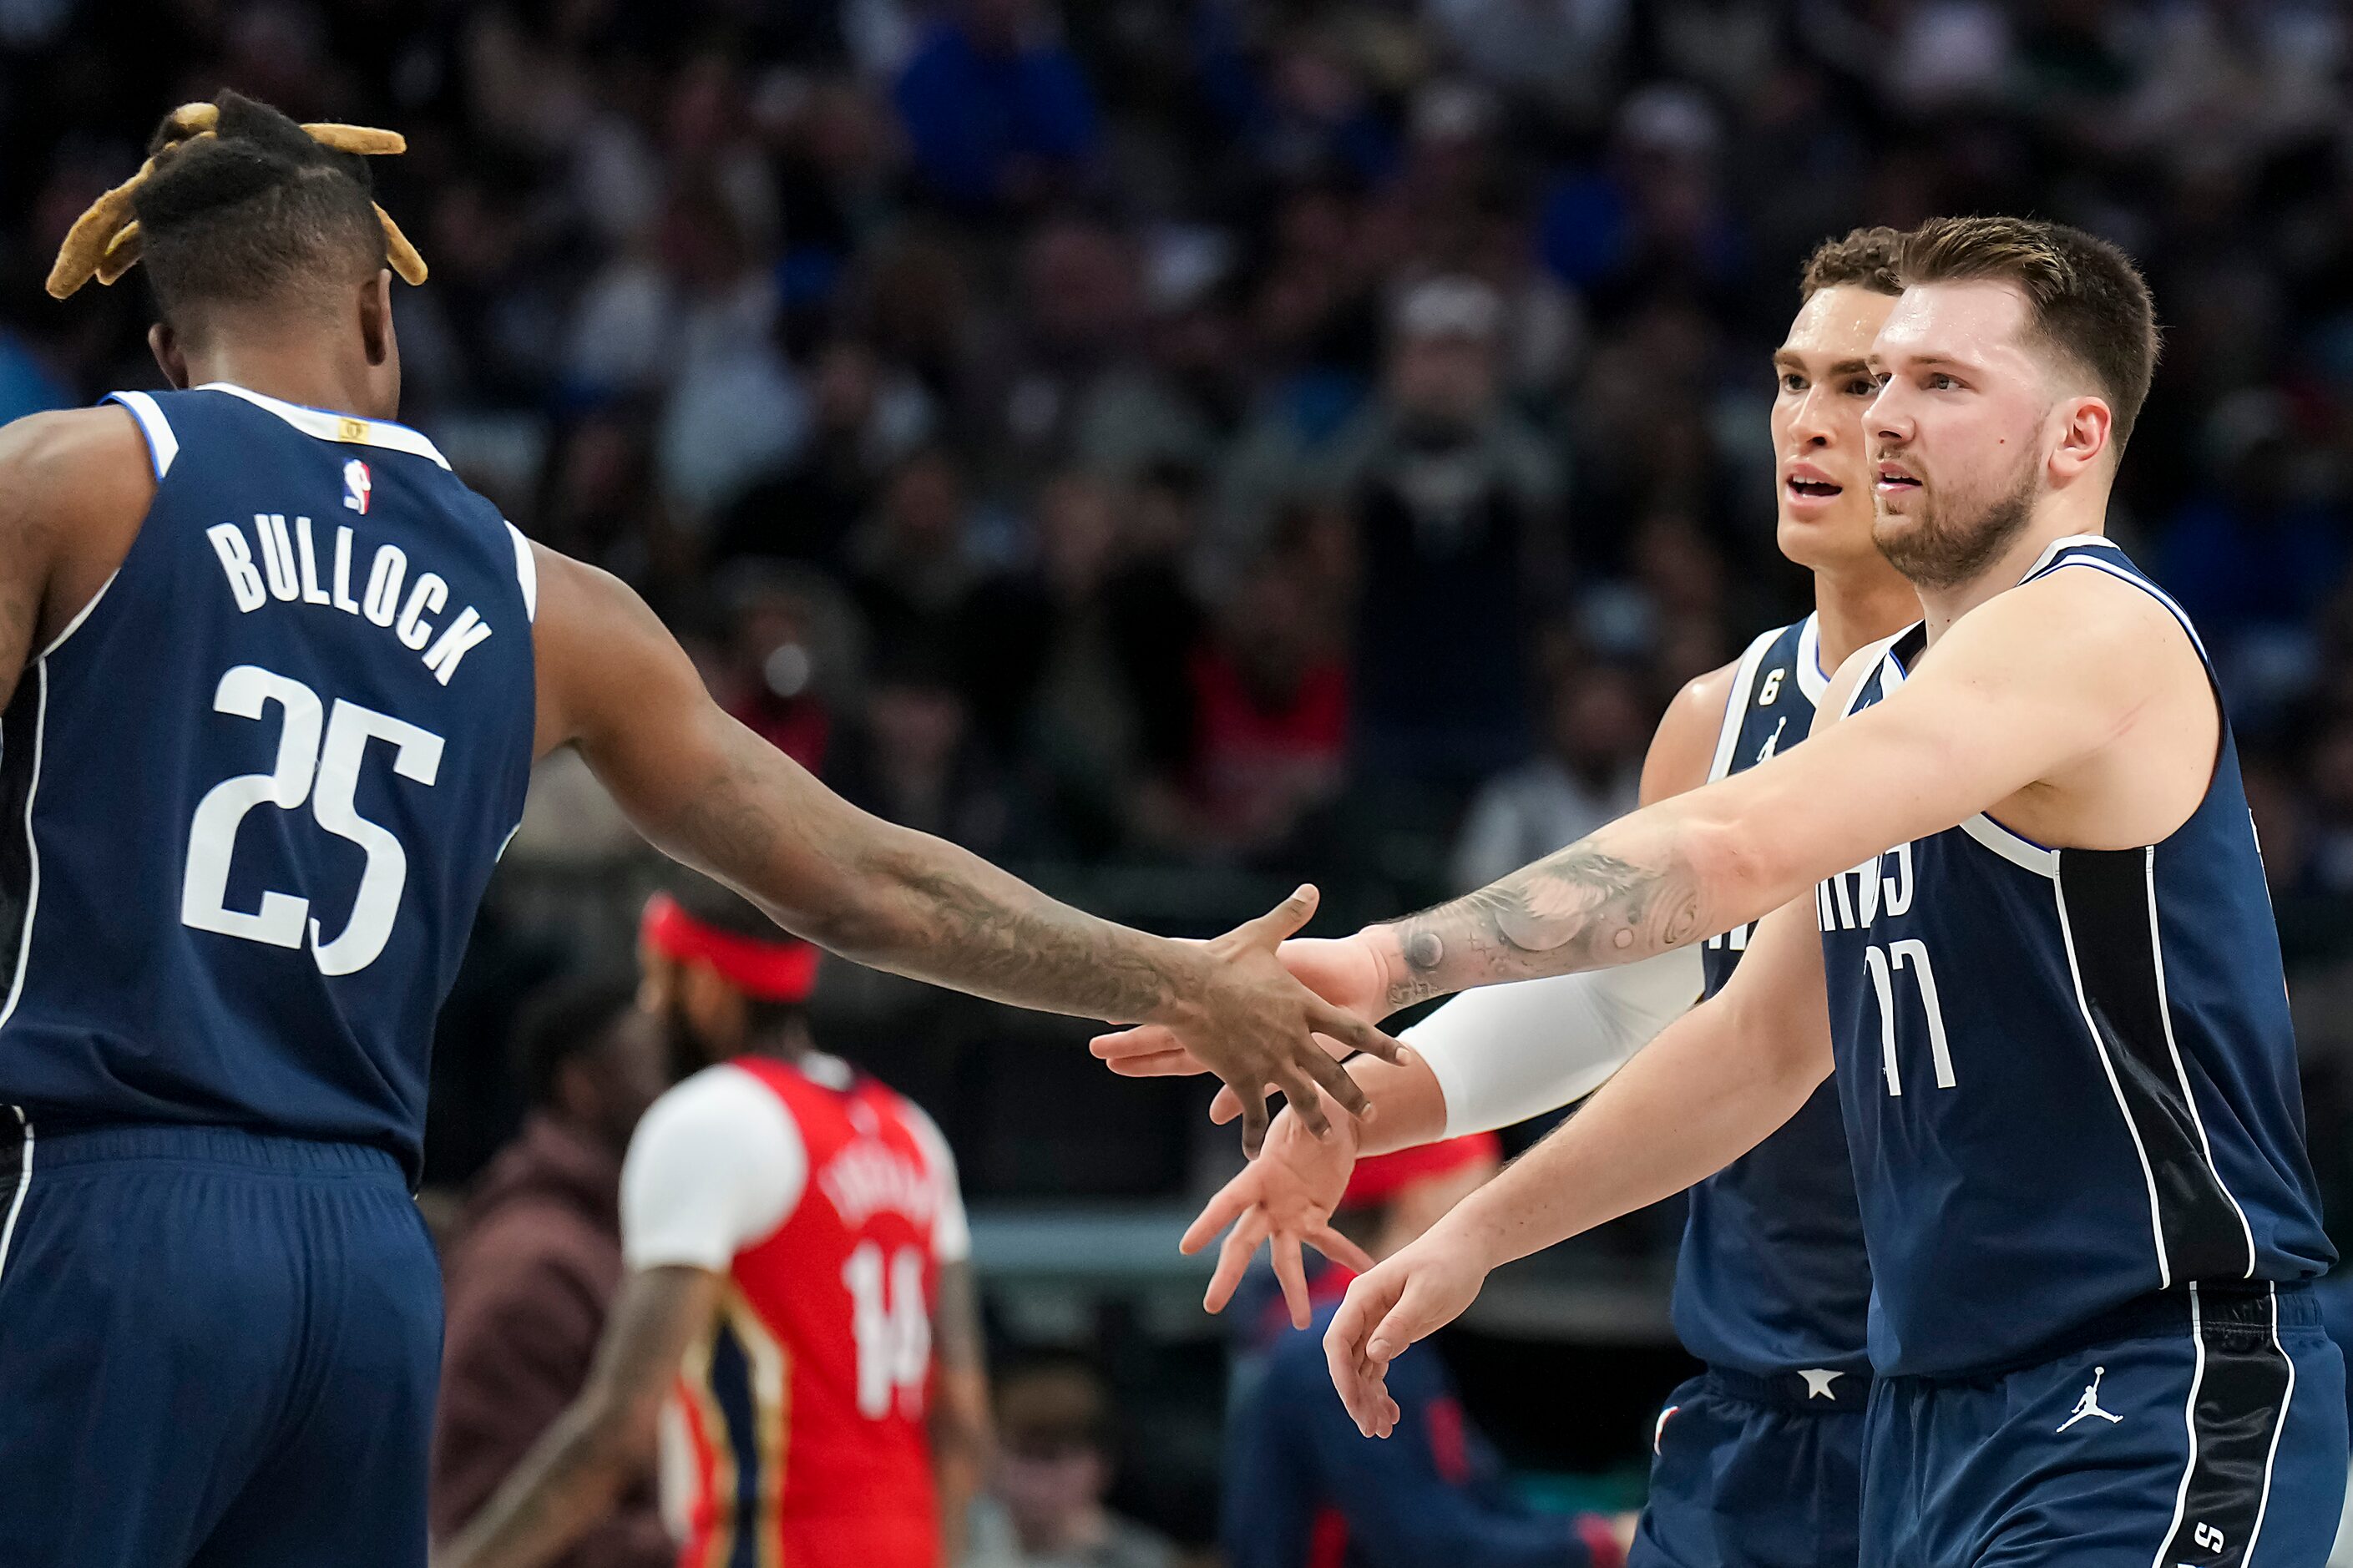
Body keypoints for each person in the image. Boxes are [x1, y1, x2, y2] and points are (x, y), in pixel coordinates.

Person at [0, 91, 1399, 1568]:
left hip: (116, 1202)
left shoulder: (73, 478)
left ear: (161, 345)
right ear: (374, 314)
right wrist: (1177, 977)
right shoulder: (554, 605)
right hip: (366, 1255)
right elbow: (860, 879)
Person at [1298, 217, 2347, 1560]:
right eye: (1869, 378)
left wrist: (1390, 962)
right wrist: (1476, 1233)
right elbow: (1758, 1037)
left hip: (2145, 1378)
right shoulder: (1872, 692)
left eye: (1935, 384)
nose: (1875, 419)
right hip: (1931, 1410)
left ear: (2075, 439)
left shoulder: (2091, 628)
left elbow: (1730, 849)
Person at [1103, 227, 1925, 1567]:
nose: (1813, 424)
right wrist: (1351, 1106)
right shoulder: (1716, 714)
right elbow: (1625, 1000)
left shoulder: (2012, 694)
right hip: (1762, 1396)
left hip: (1990, 1384)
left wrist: (1467, 1201)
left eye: (1866, 384)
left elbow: (1772, 1034)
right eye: (1793, 380)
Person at [438, 881, 986, 1568]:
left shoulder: (707, 1118)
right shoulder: (910, 1132)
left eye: (654, 983)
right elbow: (963, 1418)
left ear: (704, 987)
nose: (648, 1009)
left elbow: (617, 1429)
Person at [1222, 1136, 1634, 1568]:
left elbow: (1472, 1506)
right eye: (1481, 1194)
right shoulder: (1343, 1344)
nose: (1507, 1221)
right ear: (1420, 1197)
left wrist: (1598, 1535)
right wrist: (1601, 1545)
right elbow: (1429, 1547)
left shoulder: (1358, 1325)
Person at [432, 976, 673, 1568]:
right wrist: (709, 1542)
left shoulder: (625, 1236)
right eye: (657, 1065)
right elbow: (482, 1515)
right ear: (582, 1085)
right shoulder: (532, 1265)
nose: (678, 1090)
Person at [965, 1358, 1183, 1568]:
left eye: (1052, 1457)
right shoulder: (956, 1535)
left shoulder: (1142, 1560)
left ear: (1100, 1466)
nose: (1036, 1476)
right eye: (1024, 1454)